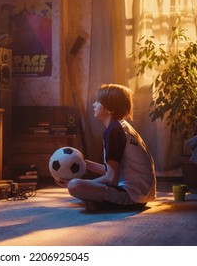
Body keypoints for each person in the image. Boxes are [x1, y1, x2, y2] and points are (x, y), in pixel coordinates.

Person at [56, 83, 156, 211]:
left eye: (98, 102)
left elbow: (111, 179)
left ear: (110, 109)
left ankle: (102, 203)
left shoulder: (114, 131)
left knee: (74, 186)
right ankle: (98, 202)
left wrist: (75, 183)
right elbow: (113, 172)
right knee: (80, 186)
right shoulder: (120, 127)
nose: (94, 105)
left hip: (132, 197)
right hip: (141, 195)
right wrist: (83, 163)